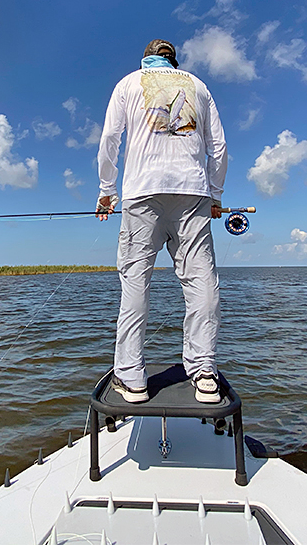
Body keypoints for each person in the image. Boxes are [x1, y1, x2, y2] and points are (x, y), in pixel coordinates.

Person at [96, 39, 228, 404]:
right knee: (201, 280)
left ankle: (132, 378)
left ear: (146, 60)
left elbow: (110, 138)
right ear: (174, 62)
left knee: (135, 282)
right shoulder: (198, 86)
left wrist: (107, 189)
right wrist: (215, 194)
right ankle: (203, 373)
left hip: (141, 193)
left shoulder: (127, 83)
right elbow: (217, 145)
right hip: (193, 194)